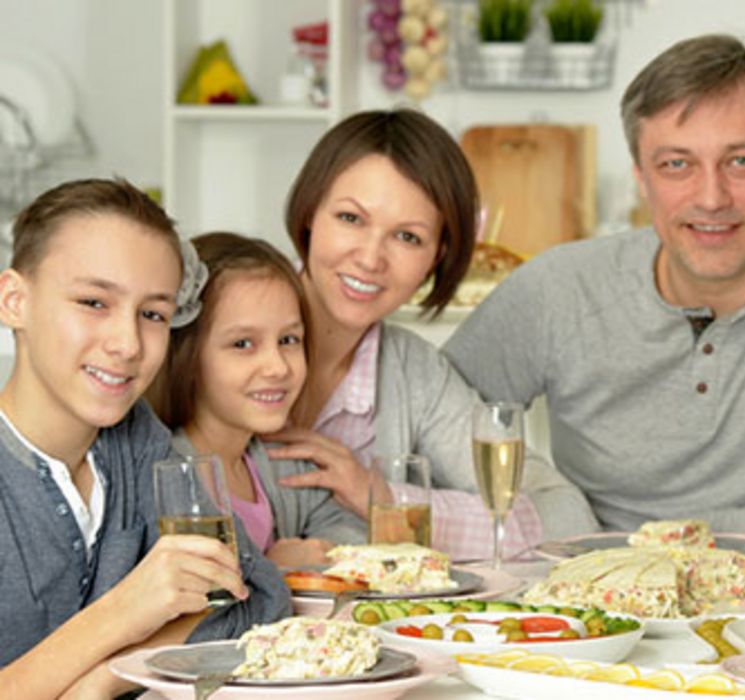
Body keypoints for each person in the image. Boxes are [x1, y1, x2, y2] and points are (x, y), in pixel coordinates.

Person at [443, 34, 745, 566]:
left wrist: (638, 546)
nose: (711, 197)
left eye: (740, 161)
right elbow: (429, 422)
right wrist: (556, 505)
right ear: (641, 178)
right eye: (677, 165)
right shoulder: (559, 288)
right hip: (590, 615)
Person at [265, 109, 597, 560]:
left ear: (437, 256)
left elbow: (566, 516)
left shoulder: (414, 373)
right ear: (310, 214)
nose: (370, 258)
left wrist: (384, 502)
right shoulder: (221, 325)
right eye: (350, 218)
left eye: (407, 237)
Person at [0, 179, 288, 698]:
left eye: (153, 314)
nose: (128, 344)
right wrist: (125, 612)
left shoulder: (135, 442)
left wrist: (101, 683)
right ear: (14, 301)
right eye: (93, 302)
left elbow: (254, 594)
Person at [147, 232, 366, 568]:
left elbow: (348, 524)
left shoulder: (278, 461)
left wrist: (319, 550)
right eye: (243, 344)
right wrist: (271, 567)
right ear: (186, 355)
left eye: (289, 339)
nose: (277, 367)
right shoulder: (164, 475)